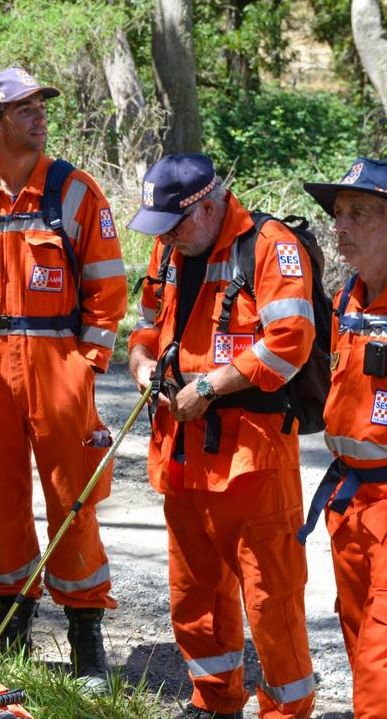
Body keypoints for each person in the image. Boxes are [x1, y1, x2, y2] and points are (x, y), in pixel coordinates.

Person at [0, 66, 127, 687]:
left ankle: (86, 634)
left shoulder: (75, 192)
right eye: (24, 108)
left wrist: (83, 366)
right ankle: (13, 626)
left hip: (59, 369)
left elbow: (109, 291)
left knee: (74, 497)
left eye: (42, 106)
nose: (39, 116)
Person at [127, 153, 316, 718]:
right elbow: (145, 323)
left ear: (208, 206)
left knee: (271, 602)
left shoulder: (268, 246)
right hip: (181, 454)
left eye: (176, 225)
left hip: (252, 460)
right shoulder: (171, 242)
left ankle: (286, 712)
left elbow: (290, 341)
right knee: (195, 595)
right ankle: (213, 703)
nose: (167, 239)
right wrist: (141, 366)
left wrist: (207, 389)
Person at [300, 157, 387, 718]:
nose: (339, 226)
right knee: (356, 626)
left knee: (383, 642)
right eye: (337, 214)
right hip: (350, 500)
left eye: (359, 214)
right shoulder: (348, 299)